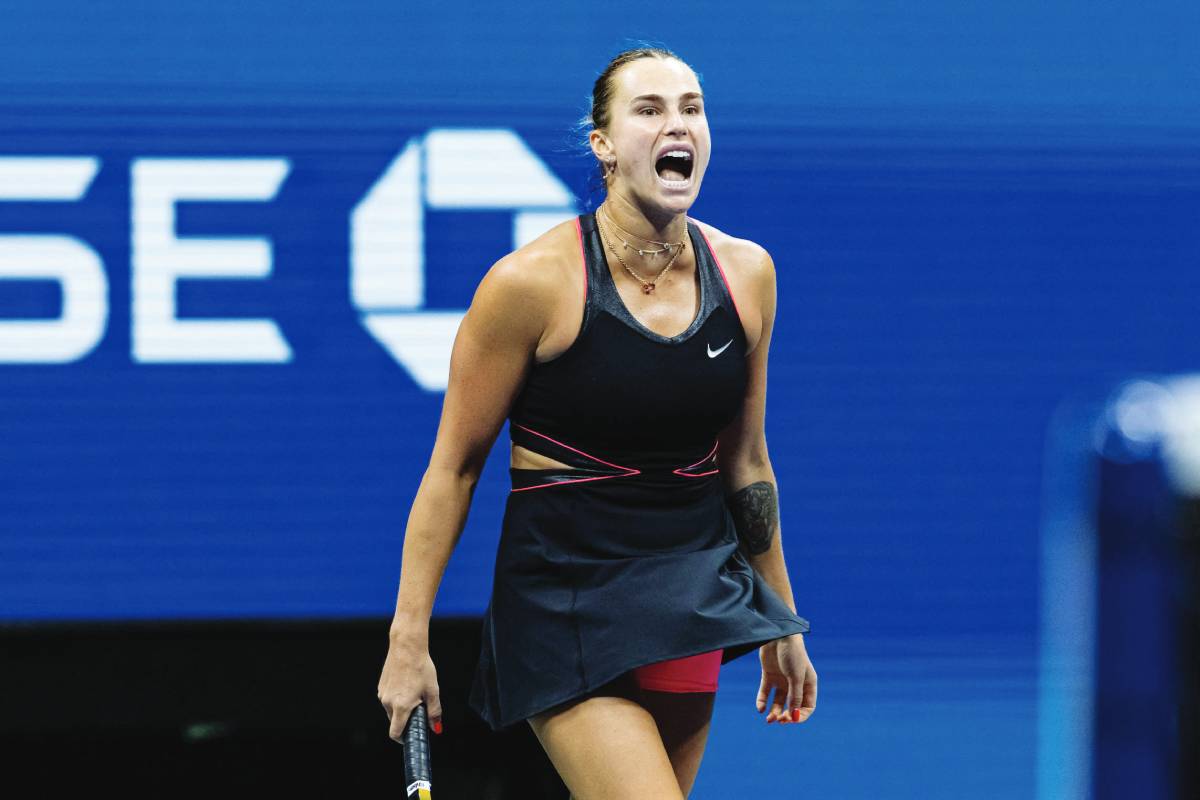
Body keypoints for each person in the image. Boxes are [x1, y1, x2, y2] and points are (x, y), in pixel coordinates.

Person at [378, 45, 818, 798]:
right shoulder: (530, 285)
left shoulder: (747, 274)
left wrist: (780, 616)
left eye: (690, 108)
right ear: (605, 145)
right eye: (648, 110)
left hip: (692, 592)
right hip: (564, 596)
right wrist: (407, 640)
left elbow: (745, 460)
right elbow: (453, 469)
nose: (675, 125)